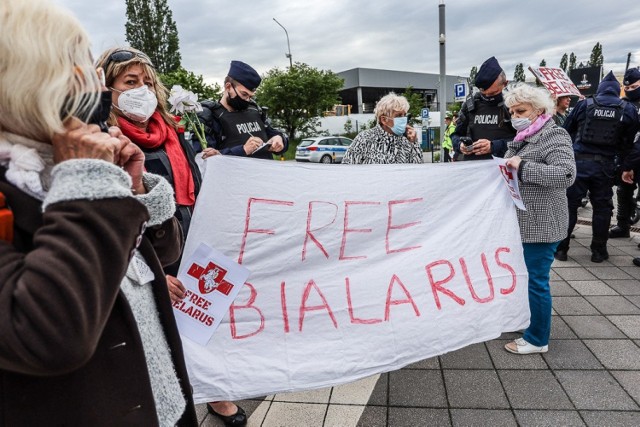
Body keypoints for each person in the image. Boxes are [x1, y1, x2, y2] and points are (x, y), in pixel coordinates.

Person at [0, 0, 197, 425]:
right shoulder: (46, 174)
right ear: (21, 76)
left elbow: (158, 256)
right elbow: (49, 333)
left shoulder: (69, 159)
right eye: (72, 61)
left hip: (164, 402)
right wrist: (87, 181)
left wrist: (136, 186)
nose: (87, 79)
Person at [96, 48, 247, 426]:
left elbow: (193, 186)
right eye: (130, 82)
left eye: (147, 82)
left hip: (188, 238)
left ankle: (215, 393)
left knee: (203, 322)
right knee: (162, 338)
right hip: (143, 257)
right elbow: (109, 216)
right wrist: (150, 272)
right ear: (106, 88)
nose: (142, 90)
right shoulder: (101, 140)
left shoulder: (171, 129)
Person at [501, 83, 576, 354]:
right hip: (524, 221)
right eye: (511, 111)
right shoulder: (524, 136)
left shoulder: (554, 135)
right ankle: (527, 321)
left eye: (521, 110)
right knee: (525, 277)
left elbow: (566, 175)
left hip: (542, 223)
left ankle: (537, 339)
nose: (515, 116)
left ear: (539, 109)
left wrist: (524, 168)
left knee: (536, 280)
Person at [555, 71, 639, 263]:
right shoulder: (627, 108)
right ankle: (598, 251)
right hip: (606, 166)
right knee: (602, 208)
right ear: (617, 91)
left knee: (570, 206)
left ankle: (561, 249)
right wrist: (625, 166)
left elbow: (566, 129)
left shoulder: (585, 104)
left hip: (579, 163)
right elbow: (629, 140)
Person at [198, 60, 288, 160]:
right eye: (244, 94)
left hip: (266, 173)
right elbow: (204, 157)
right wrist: (243, 150)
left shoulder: (255, 110)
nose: (247, 100)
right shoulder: (211, 117)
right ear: (228, 87)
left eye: (250, 96)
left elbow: (274, 133)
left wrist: (279, 139)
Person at [452, 56, 516, 161]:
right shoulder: (470, 105)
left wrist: (494, 146)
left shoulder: (514, 105)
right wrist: (460, 145)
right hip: (473, 168)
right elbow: (456, 134)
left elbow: (525, 140)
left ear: (505, 84)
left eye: (493, 93)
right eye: (484, 94)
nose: (488, 97)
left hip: (504, 168)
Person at [341, 92, 423, 164]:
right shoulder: (364, 139)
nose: (403, 119)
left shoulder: (407, 140)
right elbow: (347, 168)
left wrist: (414, 143)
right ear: (384, 120)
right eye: (398, 116)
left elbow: (418, 172)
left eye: (404, 115)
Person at [609, 67, 640, 239]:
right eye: (626, 88)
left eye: (634, 88)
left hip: (636, 155)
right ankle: (623, 225)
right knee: (623, 191)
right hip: (626, 156)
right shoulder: (623, 104)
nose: (629, 91)